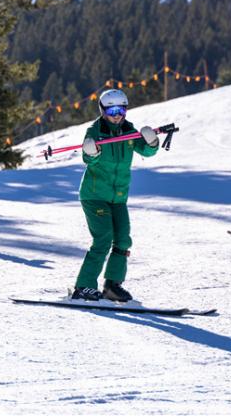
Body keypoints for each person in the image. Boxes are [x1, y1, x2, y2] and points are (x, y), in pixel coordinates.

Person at [72, 89, 159, 302]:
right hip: (94, 195)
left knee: (122, 239)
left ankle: (112, 285)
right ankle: (83, 286)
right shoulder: (96, 130)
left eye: (121, 109)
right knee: (103, 238)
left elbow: (146, 151)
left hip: (118, 197)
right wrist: (91, 152)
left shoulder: (129, 131)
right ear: (102, 110)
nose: (117, 114)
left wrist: (151, 142)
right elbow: (88, 158)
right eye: (112, 110)